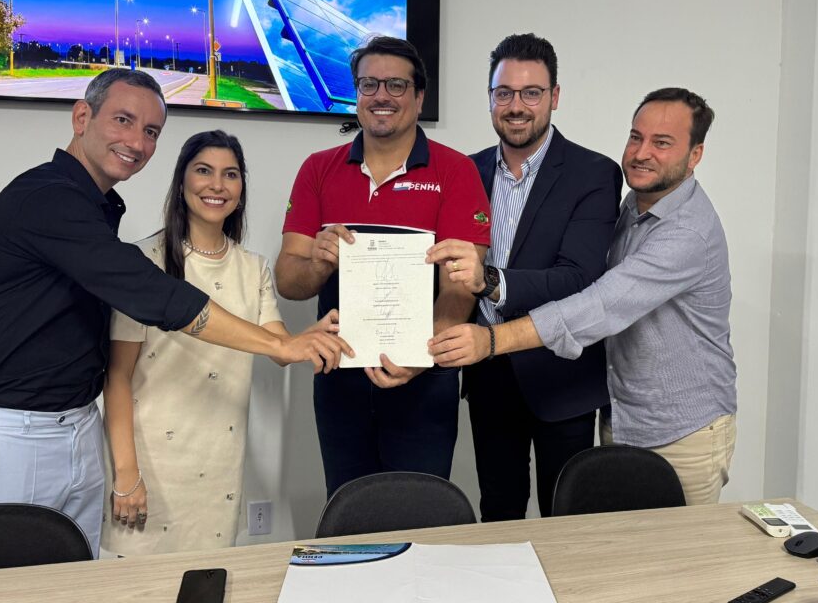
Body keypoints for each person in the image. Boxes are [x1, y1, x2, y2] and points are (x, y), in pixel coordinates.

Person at [0, 69, 348, 555]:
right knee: (3, 591)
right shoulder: (47, 199)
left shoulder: (100, 207)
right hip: (12, 435)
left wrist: (301, 341)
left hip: (76, 426)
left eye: (151, 131)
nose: (136, 141)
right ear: (81, 117)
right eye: (123, 120)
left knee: (75, 588)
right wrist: (281, 342)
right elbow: (155, 296)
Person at [431, 87, 737, 505]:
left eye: (662, 143)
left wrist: (492, 339)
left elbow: (601, 305)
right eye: (636, 137)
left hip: (683, 433)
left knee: (678, 548)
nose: (641, 153)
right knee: (616, 544)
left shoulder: (687, 232)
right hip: (624, 420)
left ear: (695, 154)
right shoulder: (634, 207)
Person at [275, 36, 491, 498]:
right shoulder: (318, 169)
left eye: (396, 84)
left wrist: (421, 354)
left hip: (424, 377)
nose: (381, 96)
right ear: (356, 93)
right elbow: (288, 281)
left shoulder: (455, 171)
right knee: (349, 506)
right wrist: (318, 263)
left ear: (419, 96)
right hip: (340, 376)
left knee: (420, 510)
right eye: (368, 84)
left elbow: (461, 287)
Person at [426, 34, 621, 521]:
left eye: (531, 93)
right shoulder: (465, 171)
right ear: (490, 97)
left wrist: (488, 280)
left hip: (562, 378)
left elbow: (578, 279)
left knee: (566, 519)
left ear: (555, 96)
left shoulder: (594, 173)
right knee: (498, 512)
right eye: (504, 93)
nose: (516, 106)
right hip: (487, 374)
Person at [102, 130, 297, 554]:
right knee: (138, 586)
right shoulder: (143, 263)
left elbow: (281, 349)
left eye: (231, 174)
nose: (217, 185)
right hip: (149, 462)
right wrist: (126, 473)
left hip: (219, 462)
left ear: (241, 190)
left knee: (207, 581)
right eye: (204, 171)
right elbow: (117, 377)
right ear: (182, 182)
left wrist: (321, 335)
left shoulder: (254, 268)